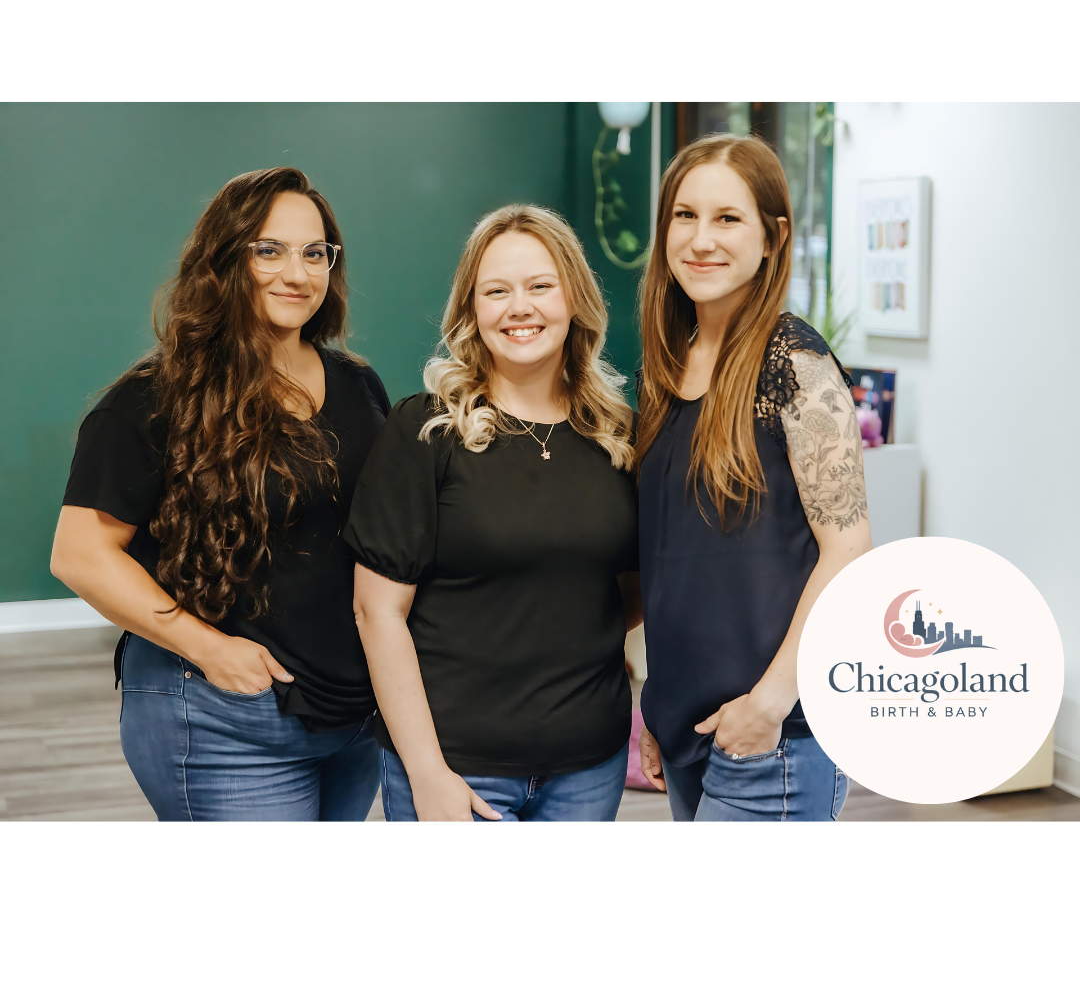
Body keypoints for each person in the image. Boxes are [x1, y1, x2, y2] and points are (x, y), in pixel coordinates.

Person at [51, 168, 390, 821]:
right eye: (270, 250)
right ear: (224, 260)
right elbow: (80, 554)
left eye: (315, 252)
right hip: (221, 718)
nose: (297, 272)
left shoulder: (358, 386)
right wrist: (212, 649)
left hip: (350, 715)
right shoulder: (152, 401)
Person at [346, 204, 640, 822]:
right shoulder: (424, 431)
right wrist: (426, 773)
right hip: (458, 765)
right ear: (472, 312)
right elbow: (377, 612)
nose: (519, 307)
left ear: (575, 300)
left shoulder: (618, 436)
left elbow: (629, 592)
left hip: (590, 764)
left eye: (540, 286)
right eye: (496, 291)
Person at [635, 135, 871, 822]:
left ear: (774, 238)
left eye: (728, 218)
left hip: (774, 737)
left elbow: (848, 550)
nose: (701, 239)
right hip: (690, 728)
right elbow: (675, 565)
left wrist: (770, 702)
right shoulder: (666, 367)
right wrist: (659, 704)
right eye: (685, 216)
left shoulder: (795, 364)